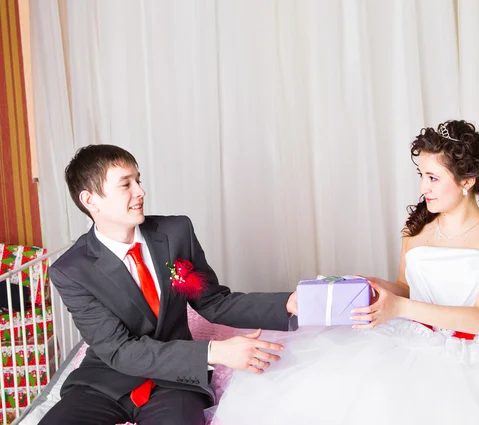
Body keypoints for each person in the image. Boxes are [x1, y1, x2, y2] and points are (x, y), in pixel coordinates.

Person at [213, 120, 479, 425]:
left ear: (467, 182)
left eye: (433, 178)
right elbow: (407, 287)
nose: (422, 187)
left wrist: (398, 307)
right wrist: (380, 287)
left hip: (474, 345)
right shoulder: (417, 227)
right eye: (420, 174)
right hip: (413, 333)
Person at [40, 144, 297, 425]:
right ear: (90, 200)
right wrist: (216, 351)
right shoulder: (71, 270)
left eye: (138, 180)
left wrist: (288, 303)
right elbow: (119, 350)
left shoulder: (175, 233)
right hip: (105, 380)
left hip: (177, 378)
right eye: (126, 184)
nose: (140, 192)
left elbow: (213, 302)